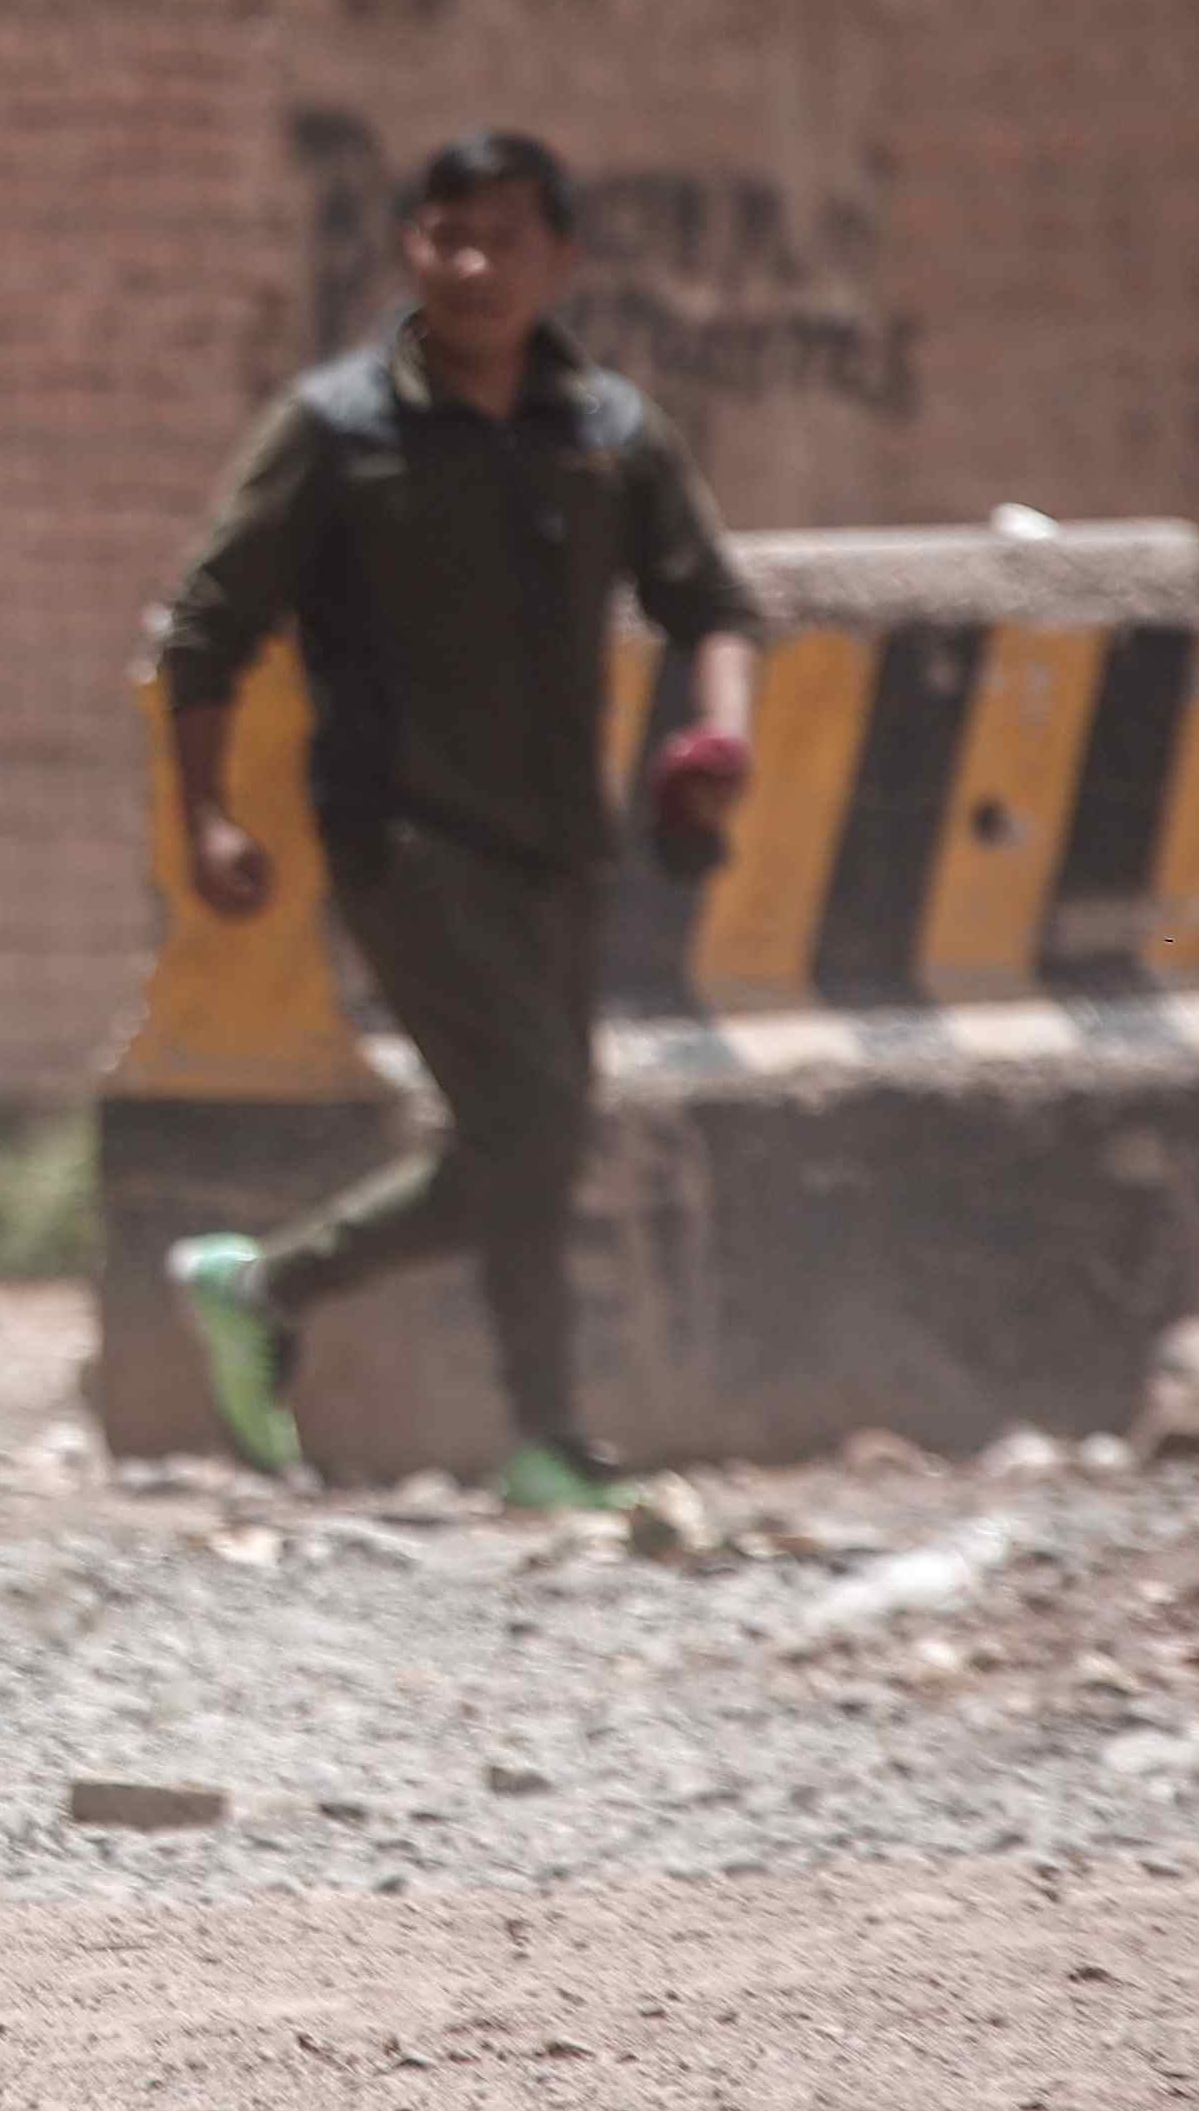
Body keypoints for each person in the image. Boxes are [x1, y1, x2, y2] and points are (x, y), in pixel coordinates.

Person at [153, 128, 761, 1513]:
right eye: (444, 234)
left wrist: (718, 732)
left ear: (560, 259)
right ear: (409, 248)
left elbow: (709, 603)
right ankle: (508, 1412)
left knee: (522, 1140)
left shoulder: (607, 434)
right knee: (535, 1122)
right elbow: (208, 628)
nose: (471, 264)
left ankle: (287, 1302)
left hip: (562, 843)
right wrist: (206, 820)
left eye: (502, 236)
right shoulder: (335, 428)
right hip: (399, 839)